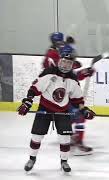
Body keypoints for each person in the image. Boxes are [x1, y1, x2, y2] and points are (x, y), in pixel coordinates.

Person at [18, 45, 96, 173]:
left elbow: (77, 100)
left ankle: (64, 162)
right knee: (37, 136)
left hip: (62, 111)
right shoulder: (49, 73)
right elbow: (34, 89)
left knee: (65, 139)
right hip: (45, 108)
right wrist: (27, 102)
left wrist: (84, 110)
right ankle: (32, 159)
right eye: (64, 62)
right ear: (59, 60)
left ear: (72, 64)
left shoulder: (72, 79)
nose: (65, 65)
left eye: (69, 63)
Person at [43, 33, 95, 155]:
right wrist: (84, 71)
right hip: (60, 94)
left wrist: (82, 69)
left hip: (65, 93)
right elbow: (70, 74)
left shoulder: (58, 54)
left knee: (76, 117)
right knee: (73, 117)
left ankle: (75, 140)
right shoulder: (53, 56)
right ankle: (72, 141)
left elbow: (72, 72)